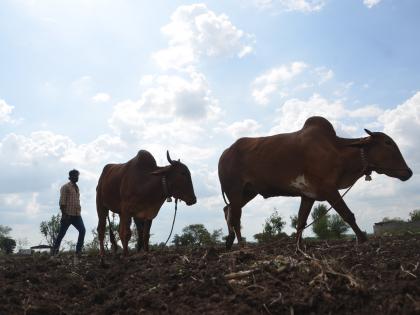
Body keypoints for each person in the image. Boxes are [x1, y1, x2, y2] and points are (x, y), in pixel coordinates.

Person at [51, 169, 86, 255]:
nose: (76, 177)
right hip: (68, 215)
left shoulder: (77, 188)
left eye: (77, 176)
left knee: (82, 230)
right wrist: (64, 215)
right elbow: (62, 202)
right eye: (75, 176)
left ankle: (78, 251)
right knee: (61, 234)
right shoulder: (65, 187)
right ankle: (55, 252)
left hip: (77, 215)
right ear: (70, 177)